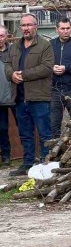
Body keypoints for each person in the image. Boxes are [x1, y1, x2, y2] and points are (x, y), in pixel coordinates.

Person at [4, 13, 54, 177]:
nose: (26, 28)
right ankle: (27, 164)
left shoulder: (45, 45)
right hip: (19, 98)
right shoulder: (15, 47)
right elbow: (7, 65)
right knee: (25, 133)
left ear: (35, 26)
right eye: (23, 25)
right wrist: (12, 75)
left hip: (38, 97)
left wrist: (23, 75)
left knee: (44, 132)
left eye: (29, 25)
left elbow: (47, 67)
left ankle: (46, 164)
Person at [0, 26, 13, 166]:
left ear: (7, 36)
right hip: (0, 98)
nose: (0, 39)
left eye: (2, 35)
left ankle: (29, 156)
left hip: (15, 96)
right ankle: (6, 156)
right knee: (2, 129)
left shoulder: (13, 51)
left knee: (23, 126)